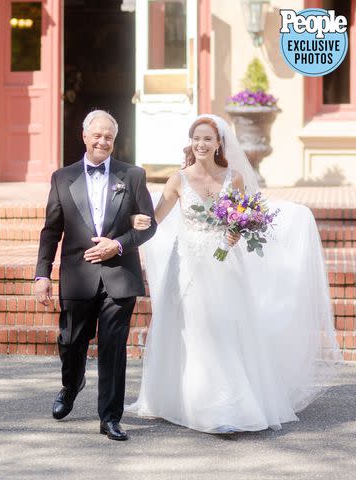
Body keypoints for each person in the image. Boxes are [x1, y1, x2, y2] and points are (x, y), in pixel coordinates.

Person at [126, 114, 342, 434]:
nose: (201, 144)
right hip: (187, 266)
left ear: (218, 144)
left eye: (207, 139)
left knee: (224, 330)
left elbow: (242, 218)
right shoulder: (178, 180)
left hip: (224, 263)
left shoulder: (234, 177)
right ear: (191, 143)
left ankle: (226, 406)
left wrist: (235, 234)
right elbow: (155, 220)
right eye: (196, 138)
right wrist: (138, 222)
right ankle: (182, 400)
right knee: (191, 331)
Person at [35, 110, 157, 441]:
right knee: (72, 342)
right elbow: (51, 230)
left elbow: (149, 225)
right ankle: (71, 384)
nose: (103, 141)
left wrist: (117, 245)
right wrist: (41, 274)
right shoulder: (62, 178)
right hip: (78, 275)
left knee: (113, 348)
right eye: (97, 136)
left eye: (109, 137)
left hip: (120, 275)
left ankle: (110, 418)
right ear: (85, 137)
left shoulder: (132, 176)